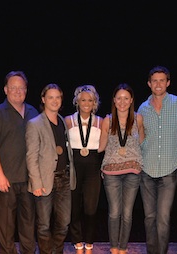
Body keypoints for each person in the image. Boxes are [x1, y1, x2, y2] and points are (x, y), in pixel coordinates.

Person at [137, 66, 177, 254]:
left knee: (164, 218)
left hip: (169, 170)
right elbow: (140, 137)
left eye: (162, 80)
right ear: (149, 84)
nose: (158, 84)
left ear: (168, 82)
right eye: (154, 81)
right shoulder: (143, 108)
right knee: (149, 218)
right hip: (147, 170)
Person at [0, 71, 39, 254]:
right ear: (5, 90)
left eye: (21, 88)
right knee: (6, 228)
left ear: (26, 90)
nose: (17, 91)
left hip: (29, 180)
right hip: (5, 180)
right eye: (13, 87)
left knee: (28, 225)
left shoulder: (33, 112)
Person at [26, 84, 76, 254]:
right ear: (43, 100)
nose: (54, 101)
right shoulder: (35, 124)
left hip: (64, 178)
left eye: (58, 97)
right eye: (50, 97)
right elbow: (31, 156)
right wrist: (36, 183)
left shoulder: (62, 121)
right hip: (45, 180)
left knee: (64, 223)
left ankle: (57, 251)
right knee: (44, 225)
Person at [98, 83, 144, 254]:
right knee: (114, 212)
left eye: (126, 98)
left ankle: (123, 248)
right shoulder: (107, 120)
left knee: (127, 213)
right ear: (114, 101)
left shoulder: (138, 118)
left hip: (133, 171)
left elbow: (141, 143)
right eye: (119, 98)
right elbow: (101, 146)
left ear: (131, 100)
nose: (122, 102)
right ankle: (113, 248)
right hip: (111, 172)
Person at [64, 85, 103, 254]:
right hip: (74, 167)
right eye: (83, 100)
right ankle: (77, 242)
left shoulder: (102, 122)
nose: (86, 103)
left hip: (93, 167)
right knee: (74, 207)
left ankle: (89, 243)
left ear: (94, 102)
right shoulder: (68, 120)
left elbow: (105, 146)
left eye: (90, 100)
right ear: (77, 102)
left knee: (91, 208)